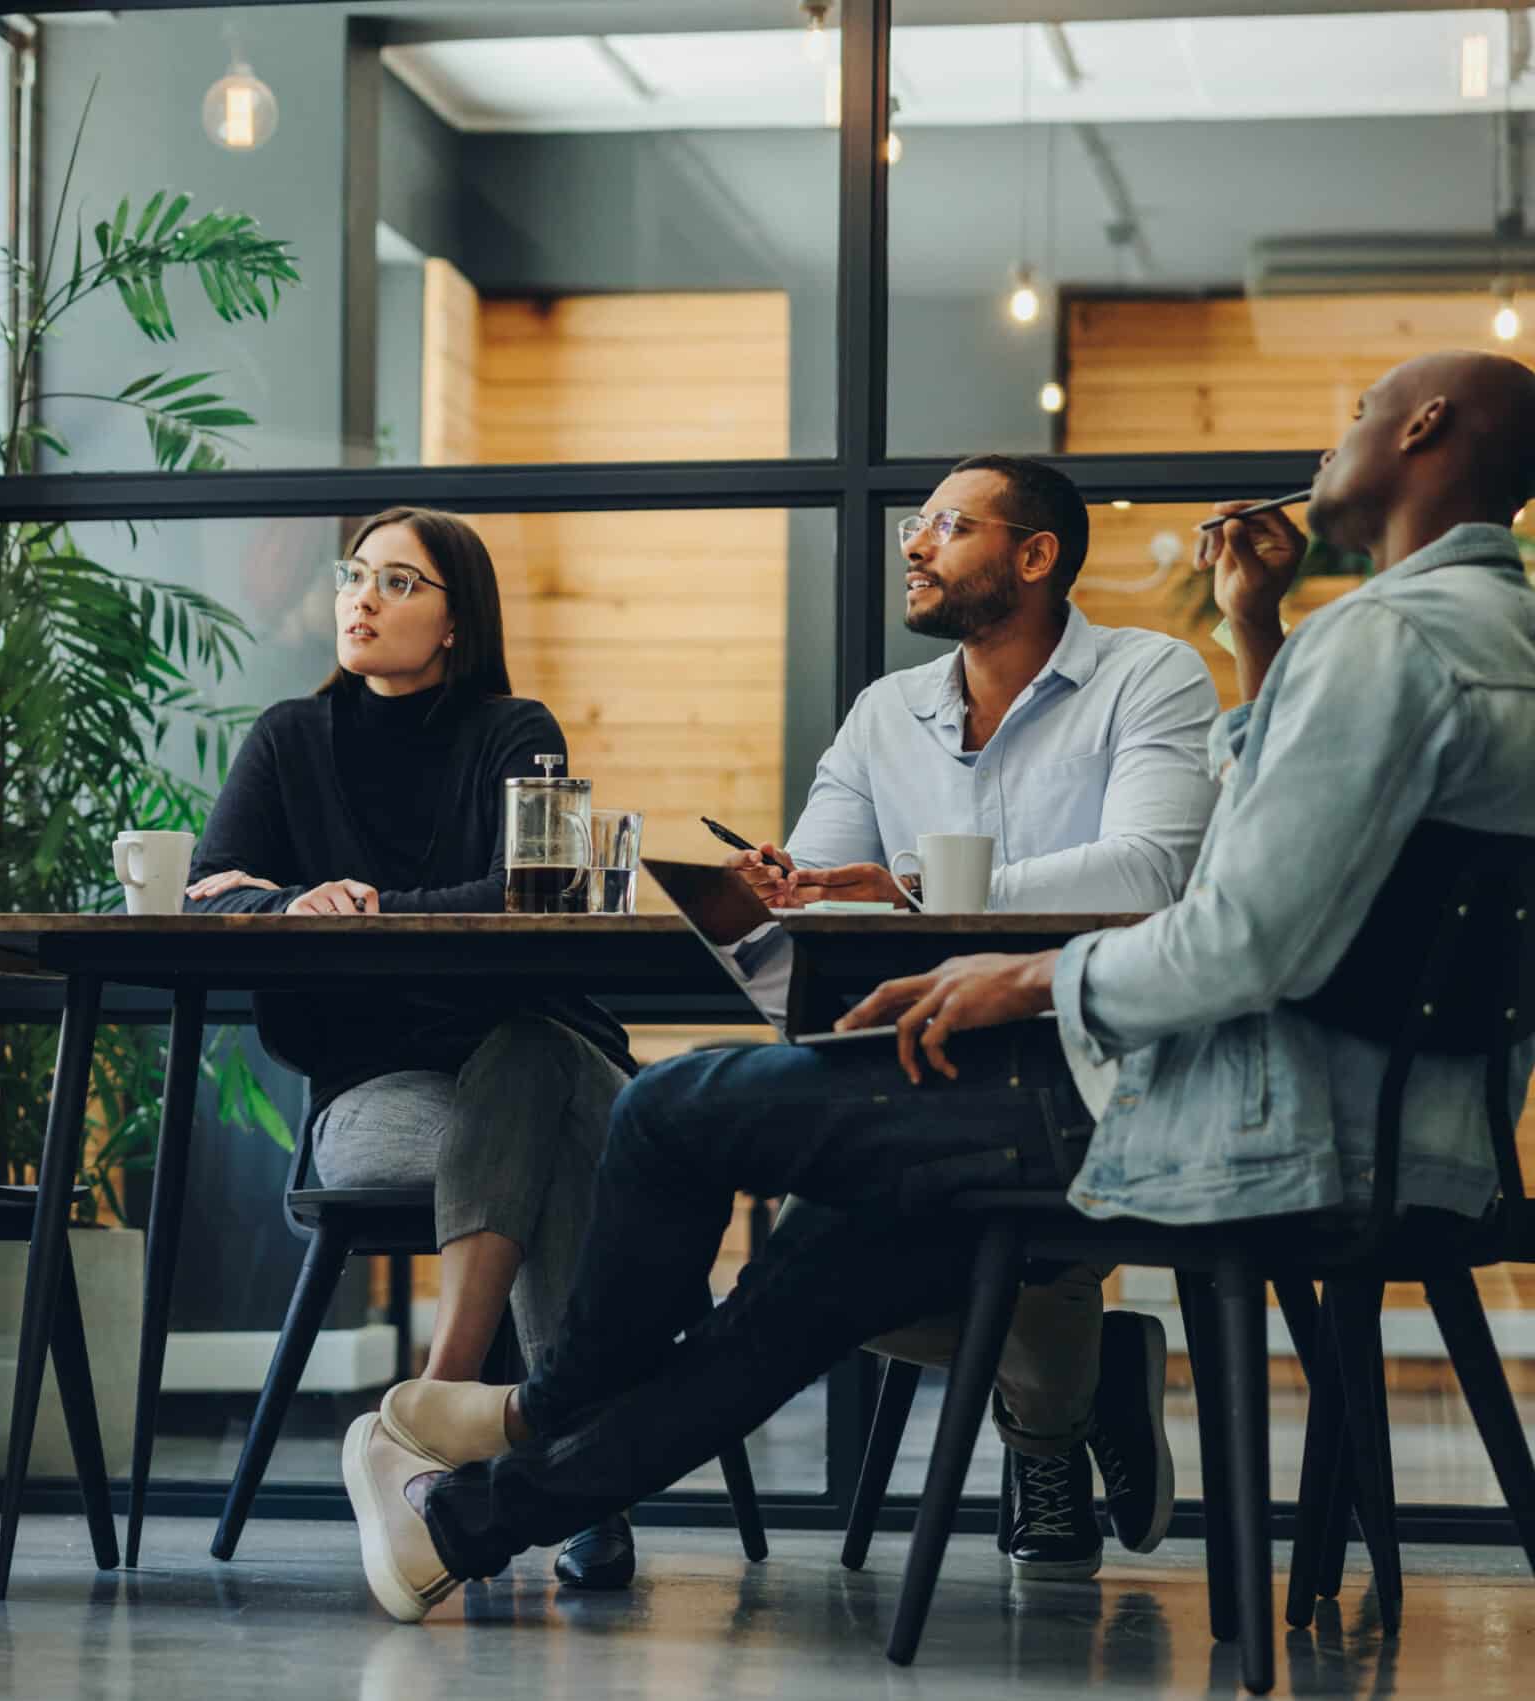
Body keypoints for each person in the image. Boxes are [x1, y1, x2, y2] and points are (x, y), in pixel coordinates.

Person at [341, 350, 1535, 1623]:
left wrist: (1019, 978)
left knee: (675, 1106)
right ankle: (462, 1529)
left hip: (1232, 1119)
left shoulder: (1383, 643)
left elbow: (1237, 927)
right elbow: (1291, 874)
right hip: (1405, 1136)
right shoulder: (1486, 640)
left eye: (1354, 416)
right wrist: (1254, 631)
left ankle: (534, 1410)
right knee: (826, 1261)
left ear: (1423, 428)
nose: (1326, 446)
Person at [720, 453, 1220, 1578]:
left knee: (907, 1254)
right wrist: (781, 884)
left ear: (1035, 555)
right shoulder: (882, 711)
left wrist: (917, 887)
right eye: (915, 524)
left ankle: (1047, 1429)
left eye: (945, 525)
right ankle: (1084, 1374)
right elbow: (822, 881)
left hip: (1087, 1061)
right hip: (907, 1053)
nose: (912, 544)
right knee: (798, 1274)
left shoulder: (1151, 675)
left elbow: (1147, 874)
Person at [185, 508, 645, 1588]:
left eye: (397, 582)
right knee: (557, 1129)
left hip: (541, 1054)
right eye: (355, 576)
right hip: (380, 1094)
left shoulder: (513, 729)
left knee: (531, 1055)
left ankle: (433, 1419)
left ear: (454, 622)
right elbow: (215, 895)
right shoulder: (289, 739)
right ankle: (574, 1476)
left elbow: (527, 895)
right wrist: (298, 904)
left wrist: (373, 907)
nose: (360, 599)